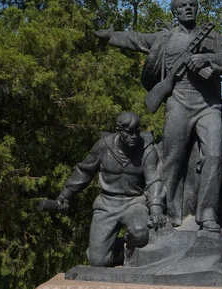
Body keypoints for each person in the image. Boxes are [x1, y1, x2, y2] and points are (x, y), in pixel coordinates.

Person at [96, 0, 222, 231]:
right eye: (183, 6)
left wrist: (206, 59)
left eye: (192, 5)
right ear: (175, 11)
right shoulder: (165, 38)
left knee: (213, 156)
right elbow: (136, 39)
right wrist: (110, 36)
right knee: (172, 158)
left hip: (208, 105)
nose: (188, 8)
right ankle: (167, 215)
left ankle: (208, 214)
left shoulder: (212, 36)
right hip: (178, 100)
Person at [55, 112, 166, 266]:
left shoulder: (147, 150)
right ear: (118, 131)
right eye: (128, 133)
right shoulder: (103, 147)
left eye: (137, 132)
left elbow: (154, 182)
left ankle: (132, 250)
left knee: (140, 233)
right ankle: (116, 249)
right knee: (98, 260)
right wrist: (65, 194)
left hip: (134, 203)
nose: (133, 137)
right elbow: (84, 172)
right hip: (107, 204)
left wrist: (156, 210)